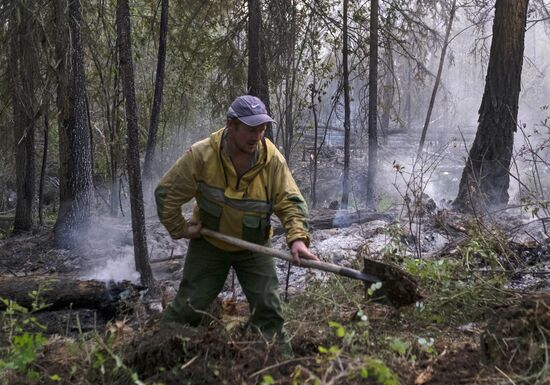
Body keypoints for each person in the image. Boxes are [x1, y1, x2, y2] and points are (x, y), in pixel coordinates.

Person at [155, 95, 318, 348]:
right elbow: (167, 194)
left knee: (269, 310)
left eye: (262, 129)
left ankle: (275, 364)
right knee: (189, 307)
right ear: (231, 125)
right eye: (251, 129)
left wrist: (297, 239)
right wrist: (181, 228)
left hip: (255, 247)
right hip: (210, 243)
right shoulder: (202, 155)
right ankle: (160, 353)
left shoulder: (272, 160)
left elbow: (290, 201)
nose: (257, 136)